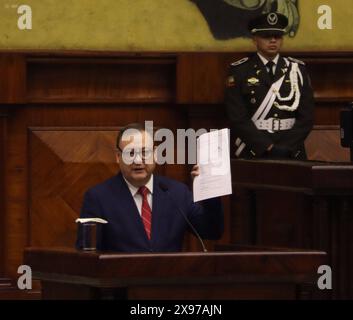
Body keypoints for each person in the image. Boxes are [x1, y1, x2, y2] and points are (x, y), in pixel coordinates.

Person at [76, 123, 224, 252]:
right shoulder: (98, 197)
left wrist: (209, 187)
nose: (138, 160)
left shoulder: (177, 193)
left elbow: (212, 231)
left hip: (165, 282)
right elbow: (87, 255)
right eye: (130, 153)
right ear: (118, 157)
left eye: (144, 152)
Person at [225, 11, 314, 160]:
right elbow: (237, 117)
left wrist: (286, 147)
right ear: (255, 39)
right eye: (267, 36)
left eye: (277, 36)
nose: (273, 40)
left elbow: (307, 117)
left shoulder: (297, 69)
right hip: (254, 150)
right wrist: (266, 147)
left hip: (292, 150)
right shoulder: (239, 71)